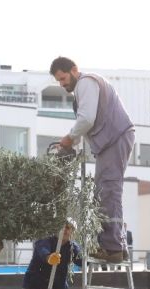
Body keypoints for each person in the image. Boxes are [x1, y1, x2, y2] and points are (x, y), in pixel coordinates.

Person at [50, 56, 135, 264]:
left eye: (63, 78)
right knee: (104, 190)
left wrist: (69, 139)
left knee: (108, 189)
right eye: (58, 81)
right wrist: (70, 142)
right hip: (111, 141)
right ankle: (117, 245)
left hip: (114, 138)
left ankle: (113, 247)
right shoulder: (83, 90)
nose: (62, 84)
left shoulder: (86, 82)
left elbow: (86, 119)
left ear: (73, 70)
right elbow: (85, 123)